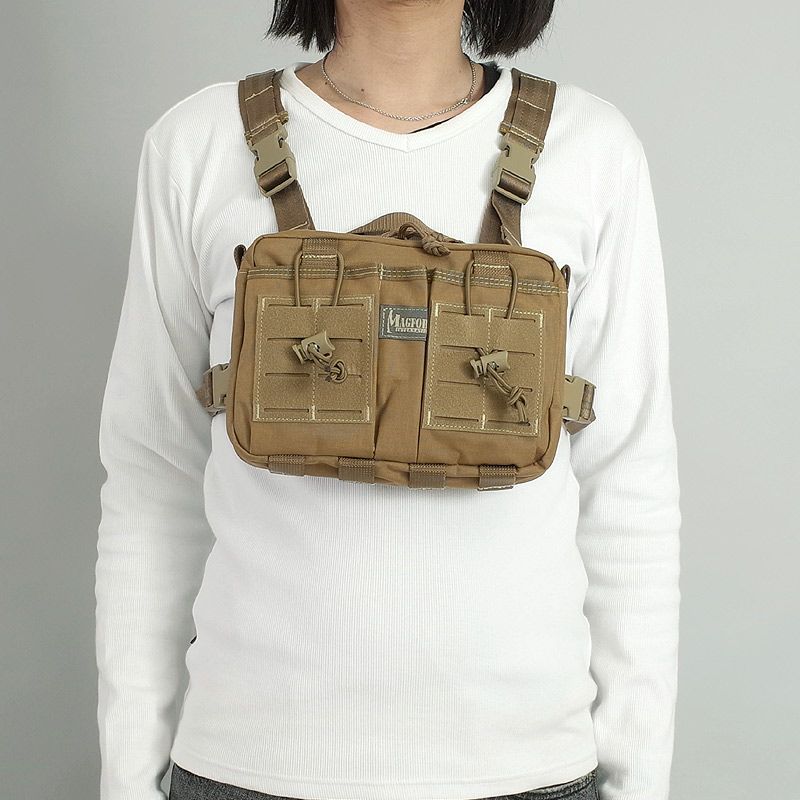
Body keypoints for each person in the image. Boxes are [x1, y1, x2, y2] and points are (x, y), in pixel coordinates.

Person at [94, 1, 682, 799]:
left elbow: (631, 490)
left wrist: (638, 782)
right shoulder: (195, 145)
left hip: (529, 770)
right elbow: (149, 485)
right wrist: (128, 781)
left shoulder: (594, 150)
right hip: (247, 766)